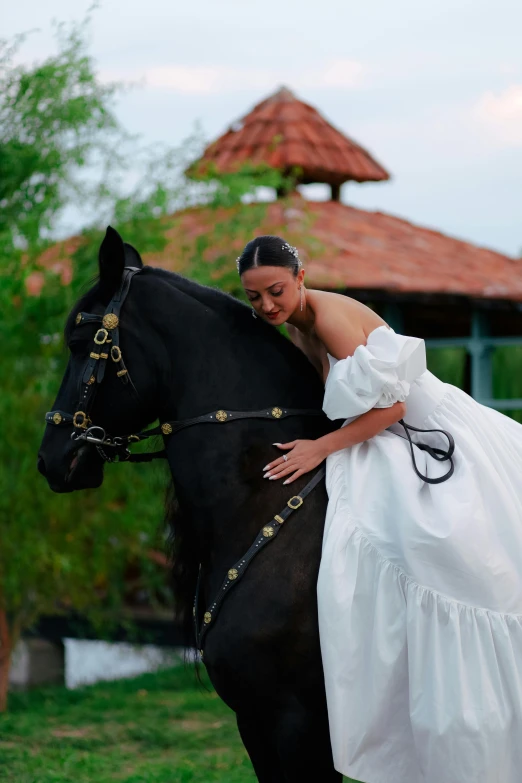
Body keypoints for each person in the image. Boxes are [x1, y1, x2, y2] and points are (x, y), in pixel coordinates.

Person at [236, 234, 522, 783]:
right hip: (390, 430)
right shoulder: (297, 320)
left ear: (299, 276)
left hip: (426, 429)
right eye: (254, 298)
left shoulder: (332, 320)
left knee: (444, 542)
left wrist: (320, 448)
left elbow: (391, 408)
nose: (267, 306)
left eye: (274, 291)